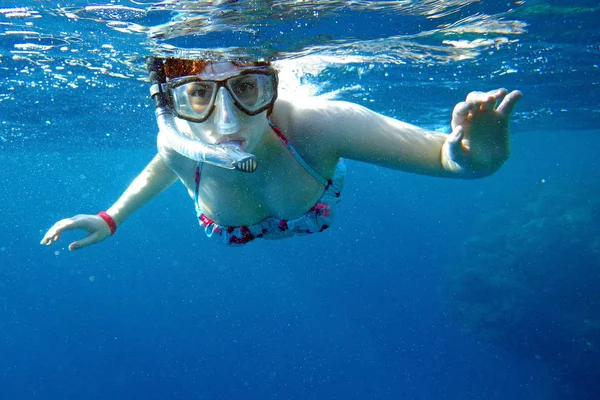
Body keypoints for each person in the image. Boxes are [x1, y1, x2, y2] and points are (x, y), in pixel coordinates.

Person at [40, 57, 522, 248]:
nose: (227, 123)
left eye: (248, 88)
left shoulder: (318, 125)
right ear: (173, 102)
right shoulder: (177, 139)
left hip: (311, 195)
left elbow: (452, 162)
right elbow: (168, 163)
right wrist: (110, 218)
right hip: (264, 212)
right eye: (200, 95)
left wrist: (482, 152)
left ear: (272, 86)